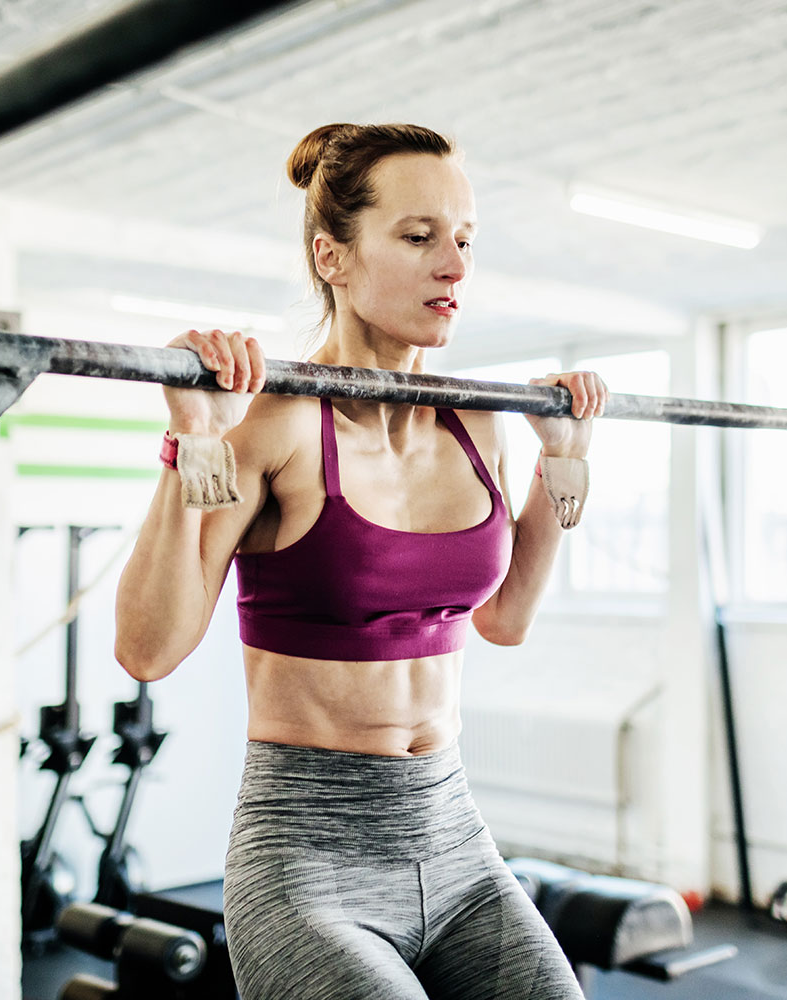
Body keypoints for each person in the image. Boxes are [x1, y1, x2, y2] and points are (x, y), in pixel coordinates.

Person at [115, 122, 607, 1000]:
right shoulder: (275, 424)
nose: (453, 266)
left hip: (454, 839)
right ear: (331, 256)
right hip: (307, 856)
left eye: (464, 240)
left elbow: (505, 620)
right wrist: (193, 440)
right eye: (418, 237)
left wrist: (563, 460)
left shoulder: (477, 420)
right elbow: (148, 649)